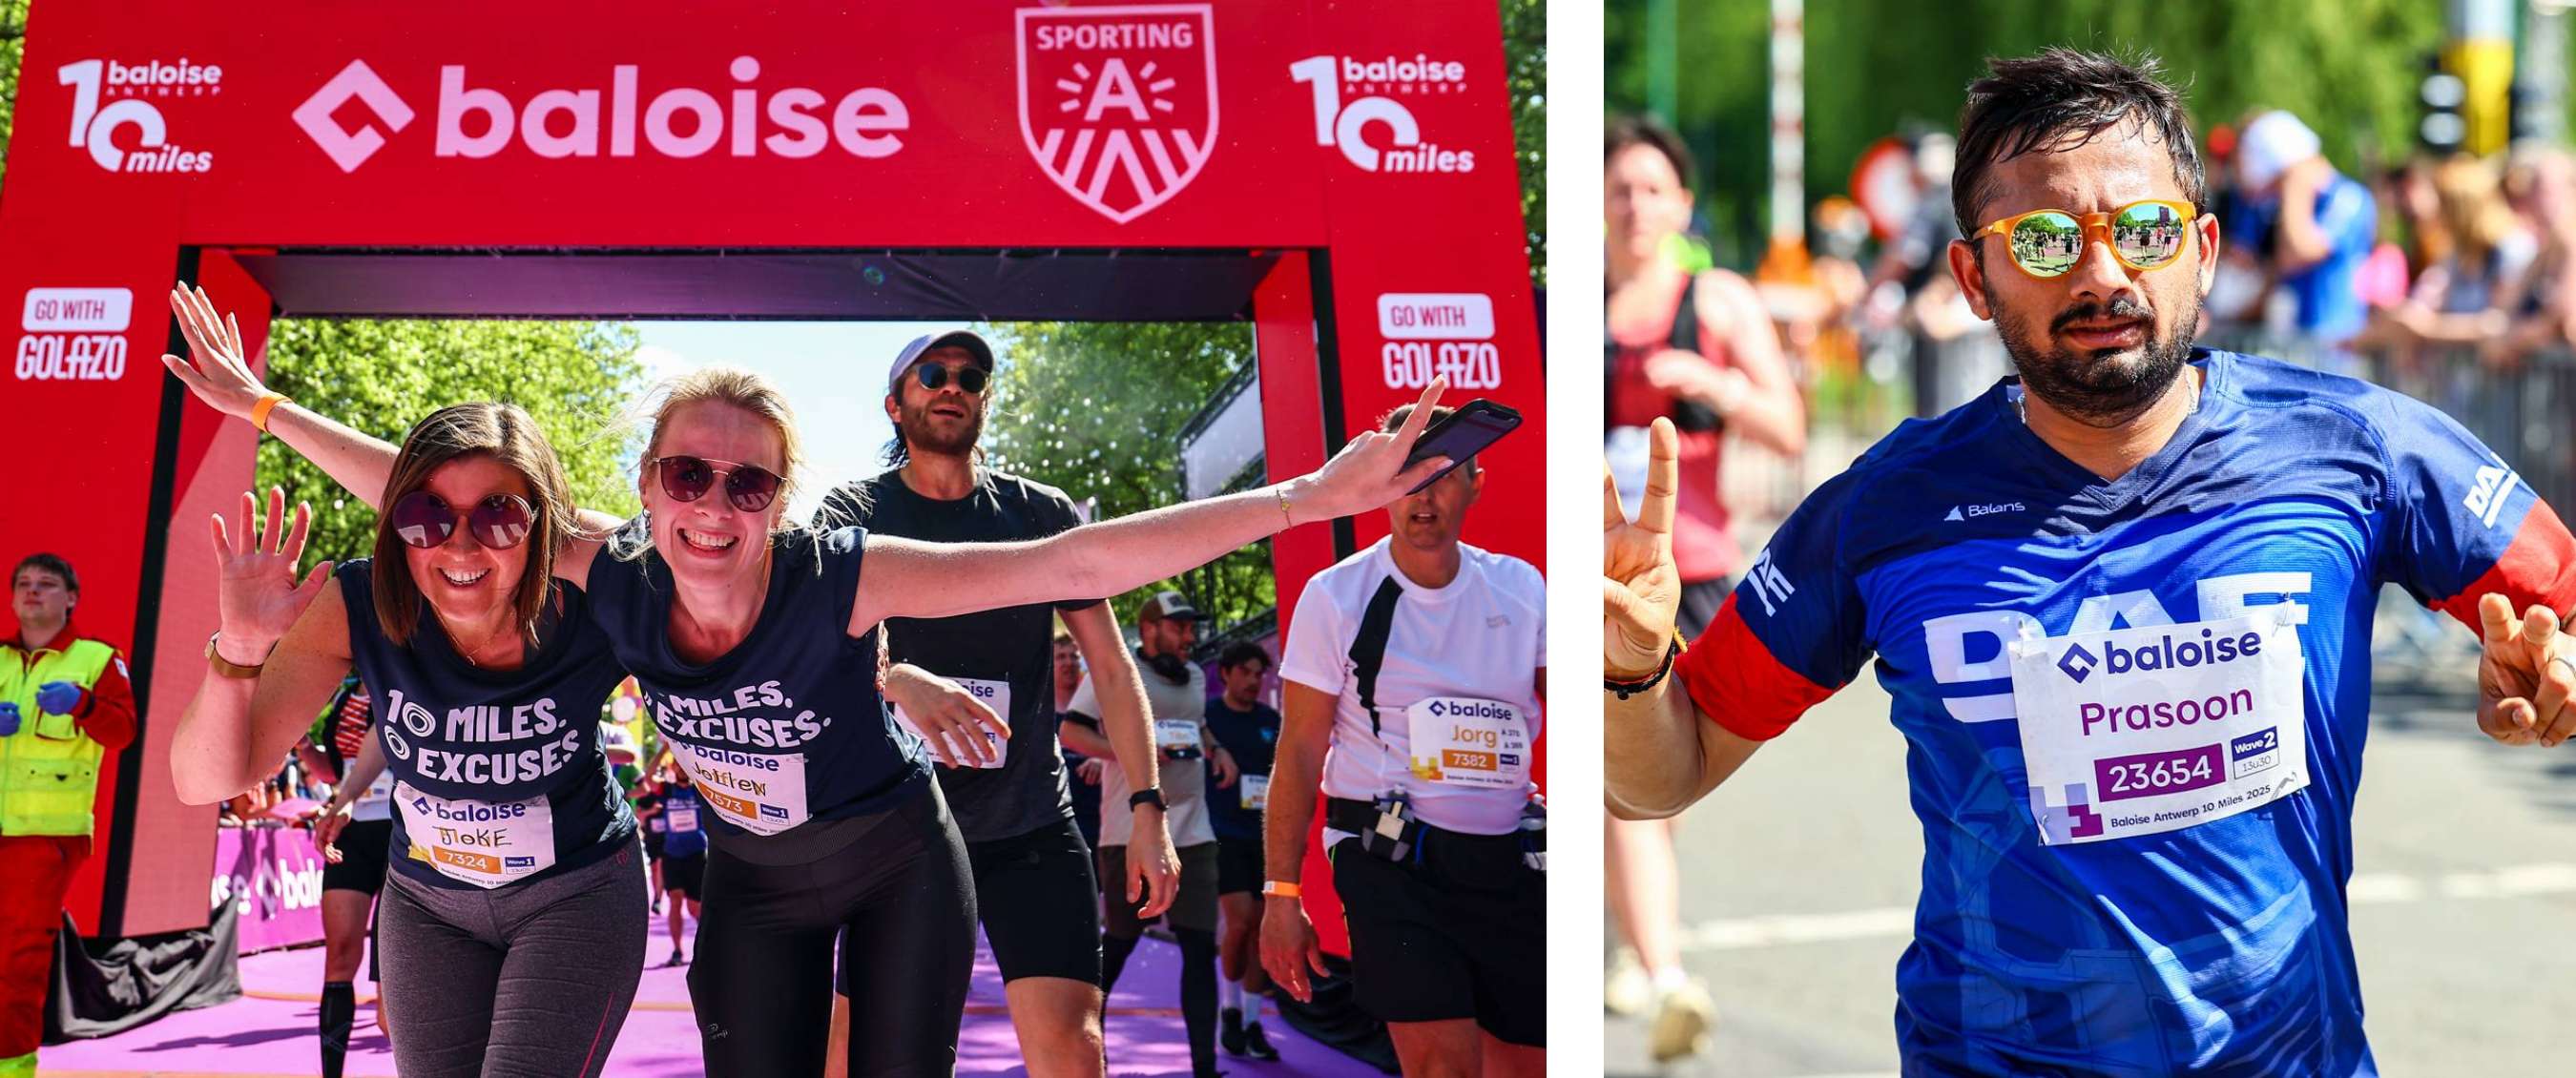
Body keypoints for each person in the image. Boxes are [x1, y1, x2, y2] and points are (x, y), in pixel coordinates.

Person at [163, 283, 1454, 1077]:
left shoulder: (843, 573)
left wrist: (1308, 497)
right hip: (755, 887)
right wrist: (263, 406)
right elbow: (425, 487)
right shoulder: (604, 573)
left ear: (780, 501)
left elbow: (1079, 556)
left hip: (899, 861)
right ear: (640, 492)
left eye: (748, 483)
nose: (714, 509)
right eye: (685, 477)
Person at [1603, 50, 2576, 1076]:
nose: (2103, 274)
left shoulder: (2359, 446)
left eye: (2144, 230)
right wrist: (1626, 671)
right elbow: (1668, 768)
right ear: (1975, 276)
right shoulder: (1886, 507)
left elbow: (2565, 612)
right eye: (2046, 238)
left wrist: (2560, 677)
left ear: (2200, 249)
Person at [162, 414, 647, 1076]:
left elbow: (680, 561)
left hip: (576, 893)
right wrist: (241, 649)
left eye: (500, 518)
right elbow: (201, 781)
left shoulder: (594, 602)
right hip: (427, 903)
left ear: (545, 530)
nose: (461, 548)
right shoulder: (358, 602)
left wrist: (266, 406)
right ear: (397, 526)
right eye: (426, 517)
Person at [809, 330, 1175, 1078]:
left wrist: (1147, 807)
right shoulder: (852, 510)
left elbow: (1109, 663)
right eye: (933, 375)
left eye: (971, 377)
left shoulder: (1037, 513)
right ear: (894, 403)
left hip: (1029, 825)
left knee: (1077, 1052)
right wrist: (895, 677)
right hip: (896, 829)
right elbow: (809, 641)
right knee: (861, 1053)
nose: (953, 387)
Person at [1263, 404, 1548, 1078]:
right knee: (1442, 1067)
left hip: (1508, 859)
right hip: (1389, 860)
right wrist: (1281, 894)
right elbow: (1300, 750)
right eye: (1408, 475)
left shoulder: (1523, 586)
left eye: (1444, 474)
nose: (1424, 496)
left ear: (1475, 484)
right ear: (1383, 485)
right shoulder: (1336, 596)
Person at [1606, 113, 1785, 1061]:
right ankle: (1666, 968)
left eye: (1652, 188)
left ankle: (1637, 939)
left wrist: (1713, 383)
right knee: (1624, 783)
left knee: (1656, 787)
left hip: (1700, 573)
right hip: (1603, 582)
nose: (1635, 205)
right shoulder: (1573, 312)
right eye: (1619, 188)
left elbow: (1790, 427)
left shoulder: (1712, 301)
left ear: (1680, 204)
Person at [1057, 591, 1234, 1078]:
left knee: (1200, 948)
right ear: (1150, 629)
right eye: (1178, 627)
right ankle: (1087, 1050)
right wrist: (1137, 755)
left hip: (1193, 833)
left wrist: (1217, 749)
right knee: (1119, 943)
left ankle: (1205, 1066)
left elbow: (1197, 725)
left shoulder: (1196, 676)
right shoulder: (1116, 672)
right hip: (1128, 832)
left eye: (1190, 628)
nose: (1188, 637)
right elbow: (1071, 733)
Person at [0, 553, 137, 1078]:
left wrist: (82, 704)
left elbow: (122, 733)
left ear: (71, 598)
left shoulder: (98, 660)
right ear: (13, 598)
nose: (32, 592)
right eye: (24, 584)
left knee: (17, 960)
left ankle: (12, 1069)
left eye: (46, 584)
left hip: (46, 835)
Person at [301, 675, 398, 1076]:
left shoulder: (401, 678)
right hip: (351, 830)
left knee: (392, 989)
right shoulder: (344, 694)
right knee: (339, 956)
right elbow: (333, 772)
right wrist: (303, 746)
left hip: (403, 831)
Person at [2228, 109, 2379, 349]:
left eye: (2277, 182)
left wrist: (2295, 185)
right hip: (2296, 344)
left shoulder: (2348, 197)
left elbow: (2297, 254)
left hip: (2335, 346)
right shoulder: (2293, 206)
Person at [1202, 640, 1282, 1062]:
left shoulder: (1272, 722)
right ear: (1227, 673)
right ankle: (1229, 1009)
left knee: (1260, 928)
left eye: (1260, 674)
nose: (1254, 681)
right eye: (1247, 672)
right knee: (1241, 920)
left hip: (1266, 837)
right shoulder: (1208, 719)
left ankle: (1252, 1021)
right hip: (1222, 834)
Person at [1052, 632, 1106, 852]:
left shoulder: (1097, 705)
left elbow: (1117, 746)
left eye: (1074, 657)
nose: (1069, 663)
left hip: (1097, 810)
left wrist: (1101, 759)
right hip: (1056, 811)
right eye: (1061, 657)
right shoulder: (1041, 708)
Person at [654, 760, 710, 966]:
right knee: (675, 900)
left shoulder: (699, 790)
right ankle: (677, 950)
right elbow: (648, 776)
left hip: (696, 853)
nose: (681, 769)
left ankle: (708, 943)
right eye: (677, 765)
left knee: (696, 907)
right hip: (673, 854)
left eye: (684, 765)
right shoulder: (667, 790)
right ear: (672, 768)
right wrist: (663, 748)